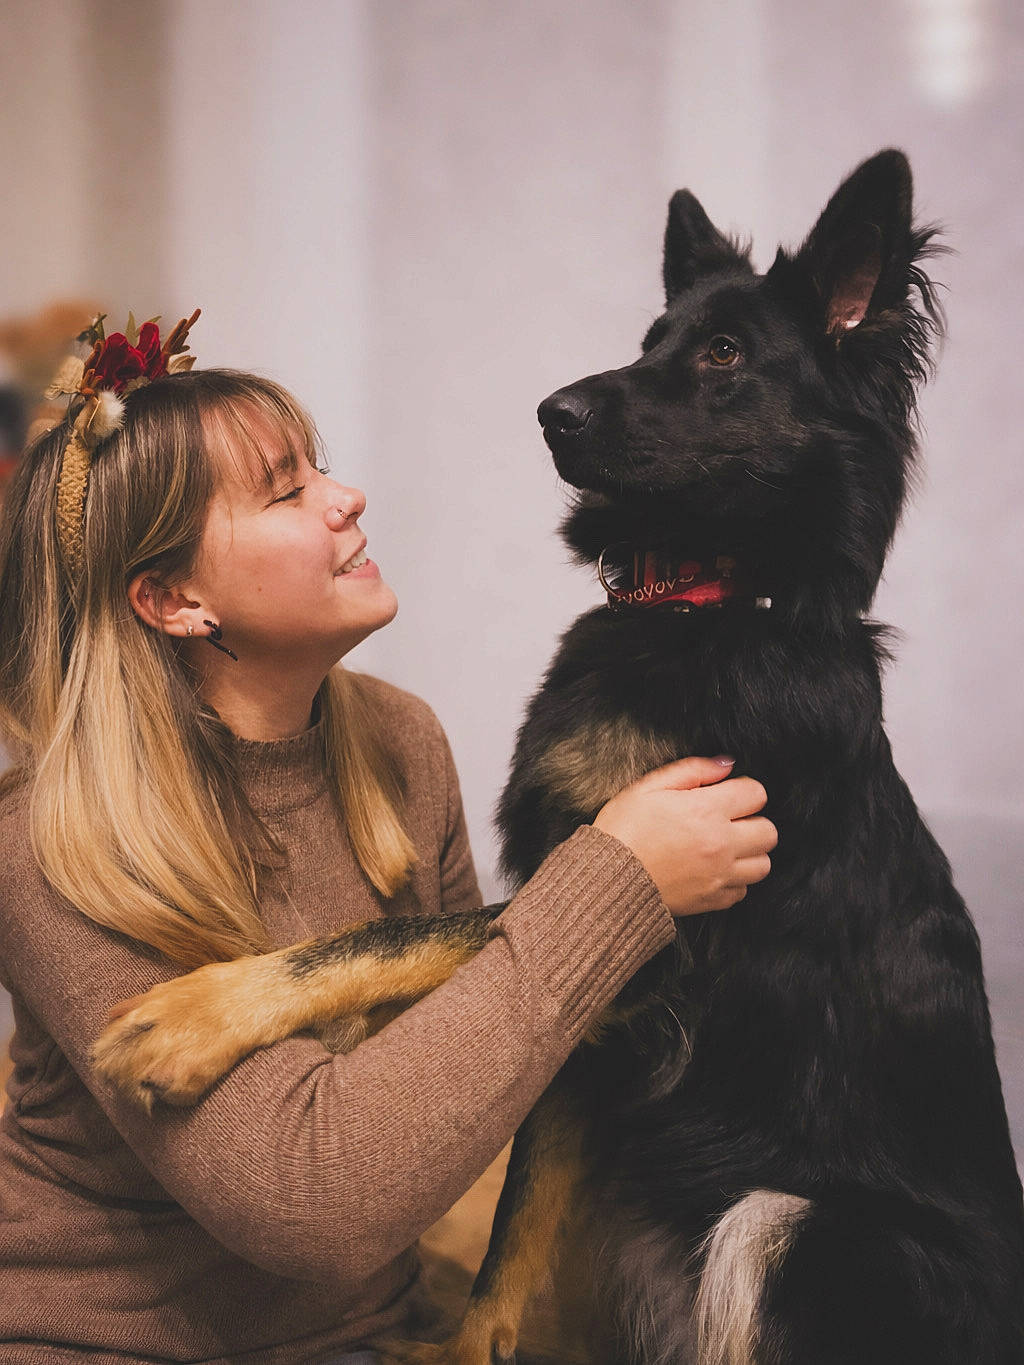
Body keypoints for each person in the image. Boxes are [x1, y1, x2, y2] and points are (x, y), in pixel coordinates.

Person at [0, 319, 777, 1363]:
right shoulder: (49, 840)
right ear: (175, 600)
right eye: (285, 490)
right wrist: (618, 881)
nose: (344, 496)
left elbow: (470, 1059)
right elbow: (312, 1201)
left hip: (361, 1337)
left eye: (319, 465)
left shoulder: (398, 742)